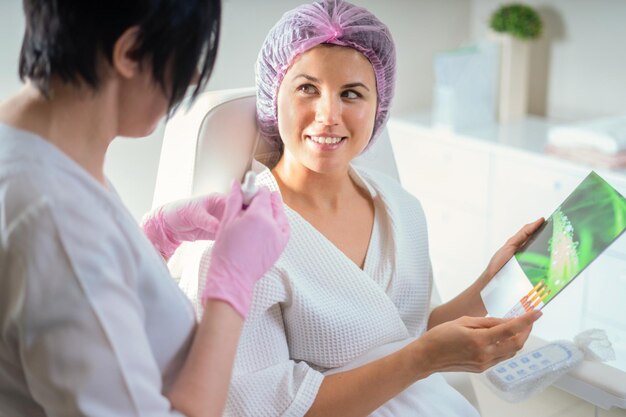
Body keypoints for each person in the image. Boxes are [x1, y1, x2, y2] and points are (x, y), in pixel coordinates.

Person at [195, 1, 544, 415]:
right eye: (308, 88)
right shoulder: (241, 242)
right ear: (275, 93)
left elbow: (407, 333)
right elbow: (266, 406)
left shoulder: (402, 208)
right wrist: (424, 358)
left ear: (378, 107)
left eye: (351, 93)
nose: (328, 115)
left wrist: (492, 283)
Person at [0, 1, 289, 416]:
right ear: (131, 52)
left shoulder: (38, 143)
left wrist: (151, 238)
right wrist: (231, 287)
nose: (190, 78)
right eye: (189, 57)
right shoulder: (55, 220)